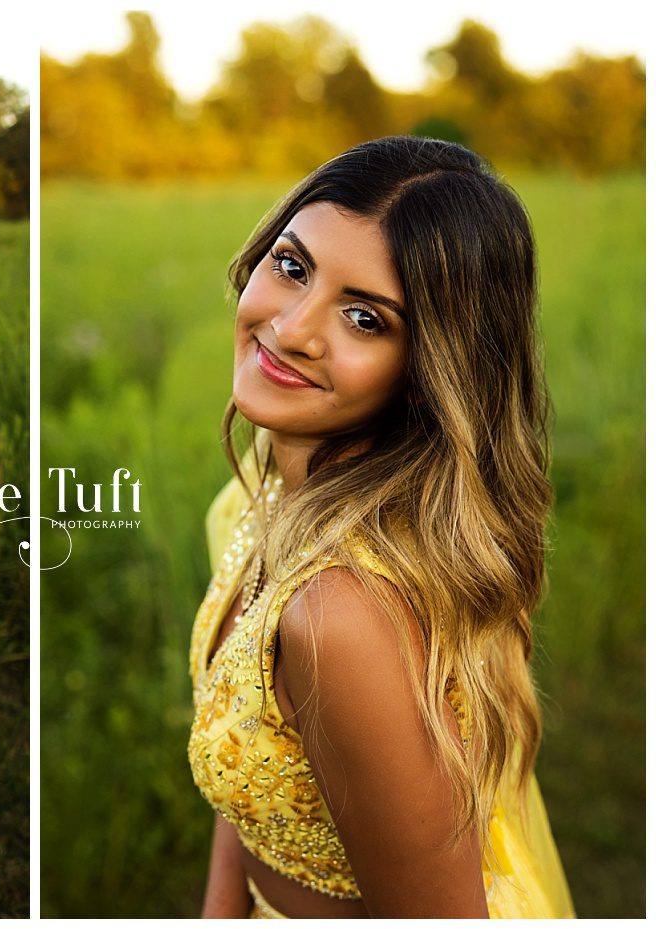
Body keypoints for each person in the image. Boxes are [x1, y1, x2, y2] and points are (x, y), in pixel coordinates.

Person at [186, 137, 574, 918]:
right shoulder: (265, 488)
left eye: (365, 318)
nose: (292, 328)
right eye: (293, 266)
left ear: (433, 368)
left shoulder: (343, 615)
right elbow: (249, 767)